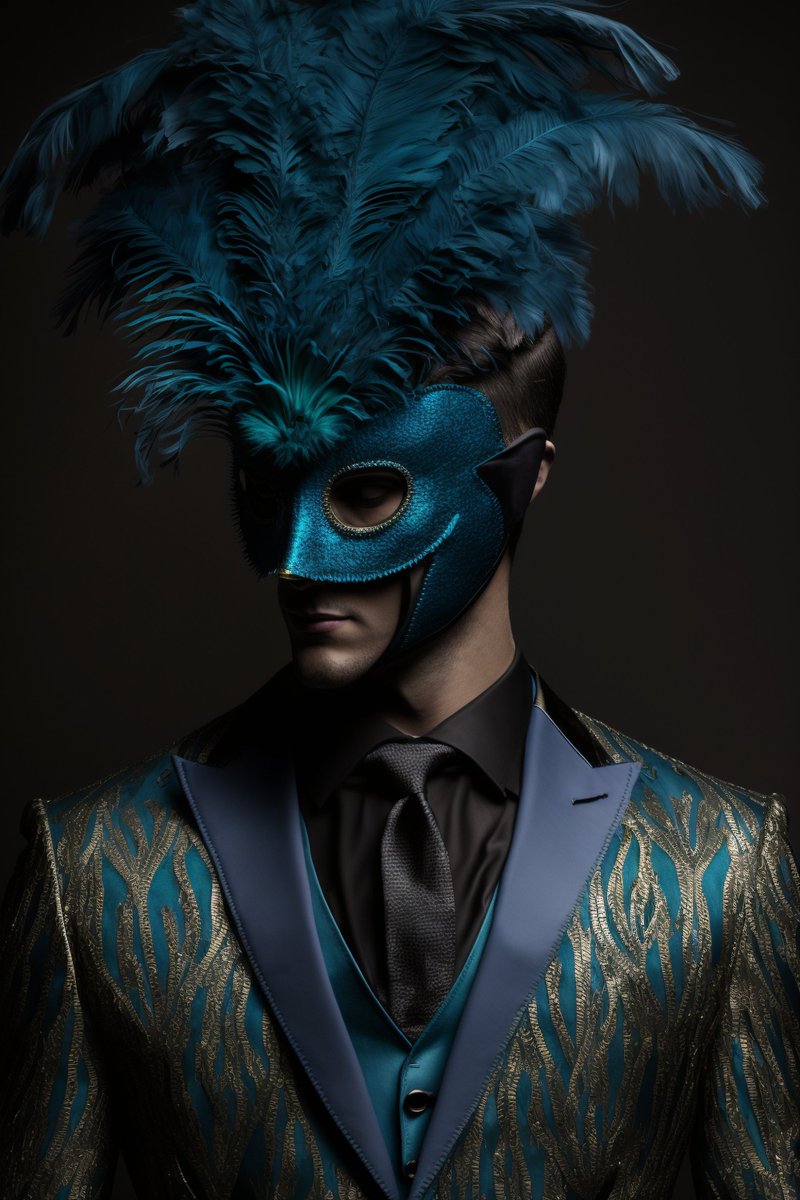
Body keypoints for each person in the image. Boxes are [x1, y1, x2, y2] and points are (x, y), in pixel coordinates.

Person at [1, 2, 797, 1198]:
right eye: (267, 485)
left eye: (367, 493)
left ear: (520, 481)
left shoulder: (717, 870)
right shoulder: (92, 871)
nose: (291, 560)